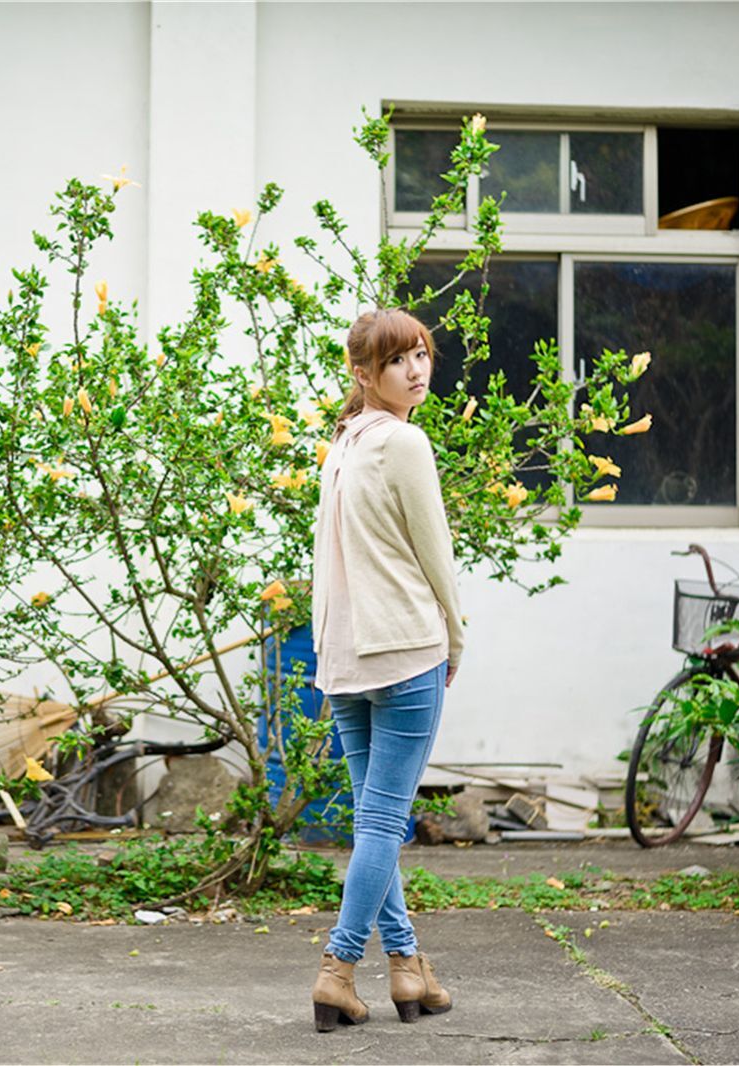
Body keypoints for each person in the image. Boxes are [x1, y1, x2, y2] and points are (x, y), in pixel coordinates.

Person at [308, 308, 465, 1032]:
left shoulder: (343, 444)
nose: (416, 370)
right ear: (363, 374)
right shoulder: (404, 442)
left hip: (345, 657)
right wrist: (455, 635)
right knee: (381, 821)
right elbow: (435, 554)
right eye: (399, 360)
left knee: (375, 820)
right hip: (404, 650)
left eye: (422, 354)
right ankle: (338, 971)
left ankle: (407, 967)